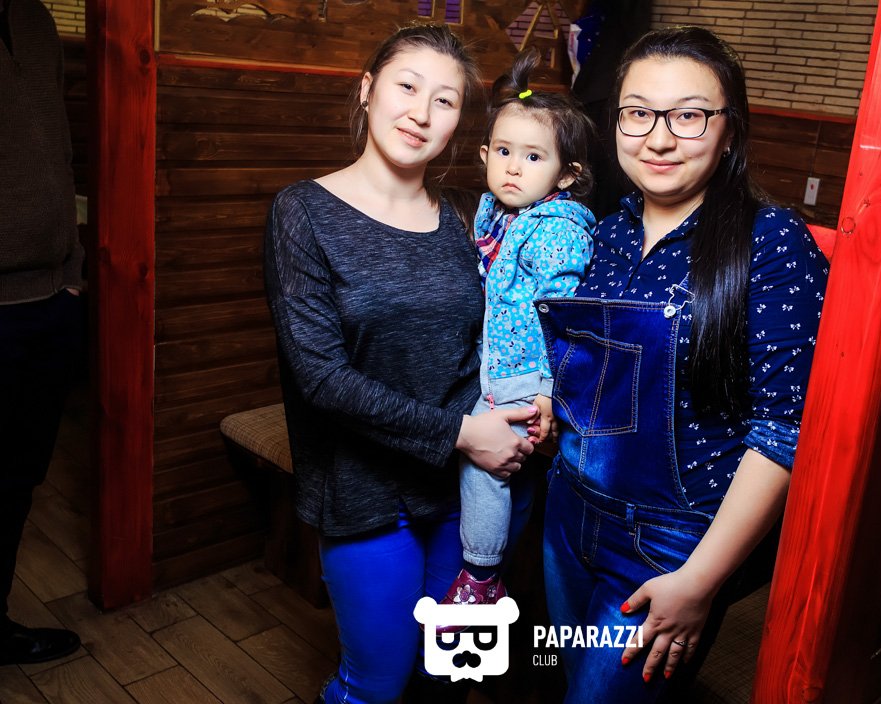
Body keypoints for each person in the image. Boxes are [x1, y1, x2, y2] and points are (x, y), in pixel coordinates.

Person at [538, 26, 829, 703]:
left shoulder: (771, 242)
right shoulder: (605, 232)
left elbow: (784, 430)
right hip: (567, 512)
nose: (659, 138)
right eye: (638, 113)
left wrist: (700, 581)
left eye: (689, 116)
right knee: (565, 685)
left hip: (671, 544)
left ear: (729, 130)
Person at [262, 24, 537, 704]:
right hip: (364, 493)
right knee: (377, 685)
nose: (421, 112)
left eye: (445, 100)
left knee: (448, 675)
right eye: (407, 87)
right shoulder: (303, 212)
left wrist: (536, 399)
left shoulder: (469, 216)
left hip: (466, 491)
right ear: (367, 90)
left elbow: (503, 333)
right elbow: (321, 378)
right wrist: (464, 433)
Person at [439, 48, 596, 612]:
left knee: (484, 470)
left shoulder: (556, 228)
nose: (513, 167)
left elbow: (563, 314)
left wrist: (550, 390)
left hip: (527, 375)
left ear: (566, 175)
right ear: (485, 155)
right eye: (504, 152)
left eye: (533, 157)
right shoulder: (498, 214)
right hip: (497, 365)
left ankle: (480, 576)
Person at [0, 0, 84, 666]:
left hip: (52, 299)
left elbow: (58, 148)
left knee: (17, 479)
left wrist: (72, 272)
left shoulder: (34, 18)